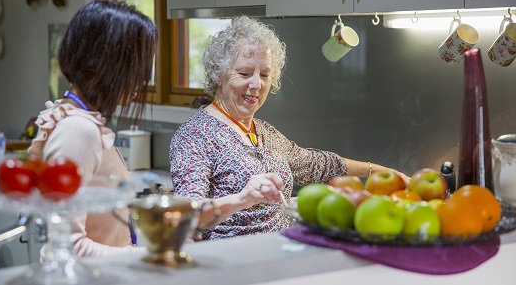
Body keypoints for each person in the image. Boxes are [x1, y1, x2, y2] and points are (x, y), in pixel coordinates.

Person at [170, 15, 410, 240]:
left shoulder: (264, 132)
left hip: (280, 258)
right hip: (231, 266)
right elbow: (187, 216)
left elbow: (317, 165)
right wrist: (242, 199)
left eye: (264, 75)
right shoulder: (194, 135)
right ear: (218, 73)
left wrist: (378, 172)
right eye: (244, 72)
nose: (256, 84)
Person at [28, 0, 157, 256]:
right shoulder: (78, 131)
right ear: (102, 63)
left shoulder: (79, 119)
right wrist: (146, 257)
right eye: (133, 68)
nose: (140, 81)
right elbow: (68, 246)